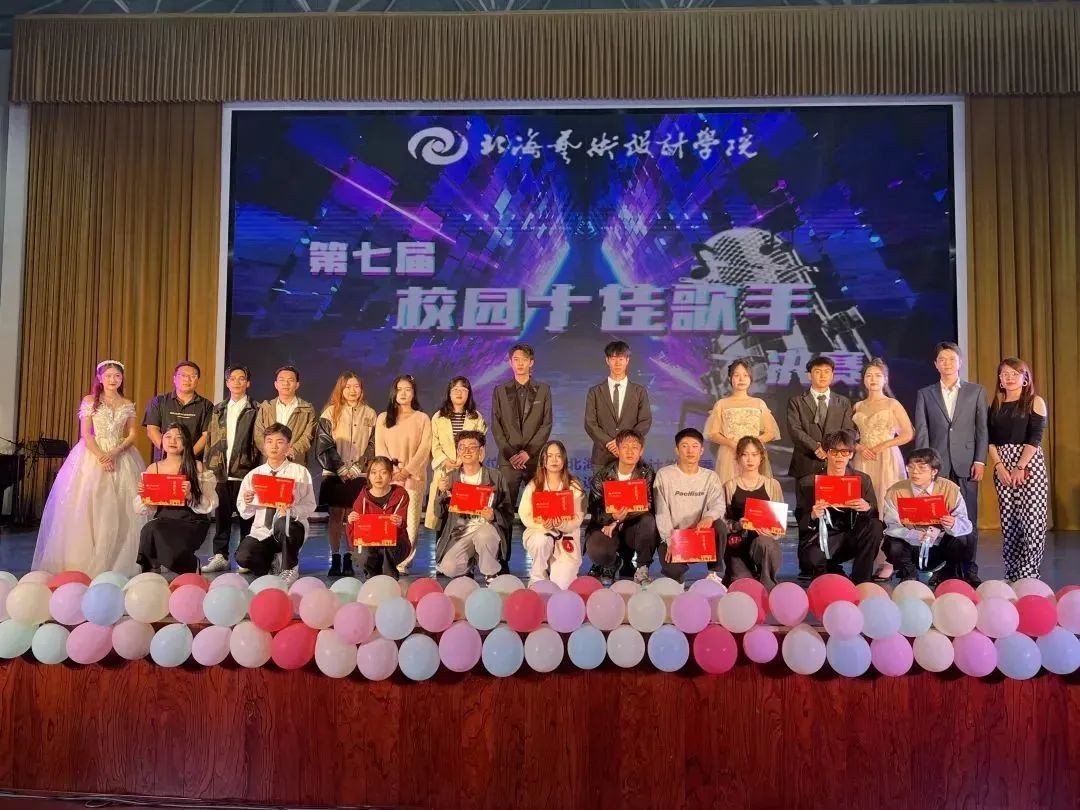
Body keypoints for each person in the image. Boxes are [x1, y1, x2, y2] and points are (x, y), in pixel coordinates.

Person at [32, 360, 146, 576]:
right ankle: (85, 560)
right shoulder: (90, 400)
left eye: (117, 376)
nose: (113, 379)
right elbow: (86, 433)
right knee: (91, 504)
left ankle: (116, 560)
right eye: (109, 375)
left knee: (122, 507)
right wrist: (102, 456)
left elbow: (132, 434)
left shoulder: (127, 403)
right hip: (92, 454)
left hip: (121, 454)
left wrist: (115, 452)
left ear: (122, 379)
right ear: (100, 378)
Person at [913, 341, 987, 585]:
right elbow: (922, 431)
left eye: (951, 359)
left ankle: (969, 568)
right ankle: (943, 568)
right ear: (936, 364)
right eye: (942, 359)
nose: (947, 363)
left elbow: (982, 429)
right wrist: (924, 466)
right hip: (938, 465)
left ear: (960, 362)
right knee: (938, 518)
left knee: (968, 519)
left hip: (967, 464)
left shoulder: (976, 391)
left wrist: (980, 460)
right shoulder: (925, 393)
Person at [851, 358, 915, 580]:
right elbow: (851, 436)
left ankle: (889, 561)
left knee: (888, 507)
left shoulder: (892, 404)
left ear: (885, 379)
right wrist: (859, 447)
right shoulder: (858, 406)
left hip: (886, 459)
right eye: (869, 375)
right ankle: (868, 558)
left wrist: (883, 445)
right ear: (863, 380)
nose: (873, 379)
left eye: (878, 375)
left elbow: (908, 433)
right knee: (867, 508)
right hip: (863, 460)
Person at [987, 357, 1049, 581]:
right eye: (1005, 374)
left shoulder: (1034, 401)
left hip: (1029, 465)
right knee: (1010, 522)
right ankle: (1012, 573)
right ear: (1000, 379)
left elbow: (1035, 438)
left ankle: (1029, 573)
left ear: (1025, 378)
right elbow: (990, 441)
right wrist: (999, 466)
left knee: (1032, 520)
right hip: (1002, 465)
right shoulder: (995, 406)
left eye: (1015, 373)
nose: (1010, 378)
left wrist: (1020, 466)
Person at [796, 429, 882, 584]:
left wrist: (866, 507)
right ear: (826, 453)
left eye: (844, 452)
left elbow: (874, 514)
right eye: (834, 452)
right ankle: (832, 569)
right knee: (813, 559)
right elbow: (801, 521)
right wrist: (813, 515)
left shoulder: (862, 480)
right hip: (822, 538)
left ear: (851, 454)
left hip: (851, 537)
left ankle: (862, 579)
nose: (839, 457)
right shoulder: (808, 482)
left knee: (875, 526)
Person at [235, 422, 317, 586]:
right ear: (264, 445)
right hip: (262, 531)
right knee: (243, 557)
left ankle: (290, 567)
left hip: (291, 528)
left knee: (282, 522)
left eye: (280, 442)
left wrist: (292, 510)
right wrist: (248, 501)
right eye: (269, 441)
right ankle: (272, 563)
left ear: (288, 446)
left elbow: (310, 505)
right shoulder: (254, 475)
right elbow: (244, 513)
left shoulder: (299, 472)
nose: (274, 446)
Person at [134, 423, 217, 574]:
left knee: (156, 530)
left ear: (186, 442)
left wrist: (190, 495)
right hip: (164, 520)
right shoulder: (153, 468)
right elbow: (147, 508)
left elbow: (211, 503)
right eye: (168, 437)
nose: (172, 441)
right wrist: (144, 496)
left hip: (192, 521)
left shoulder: (197, 466)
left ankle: (189, 565)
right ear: (162, 440)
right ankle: (152, 570)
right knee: (150, 529)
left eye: (178, 438)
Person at [315, 372, 377, 578]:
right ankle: (335, 557)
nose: (352, 390)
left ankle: (349, 556)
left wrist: (360, 466)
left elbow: (373, 444)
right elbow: (324, 444)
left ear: (362, 389)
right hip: (335, 472)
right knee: (335, 515)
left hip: (359, 472)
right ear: (340, 389)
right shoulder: (329, 412)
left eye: (356, 386)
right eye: (347, 386)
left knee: (353, 515)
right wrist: (340, 468)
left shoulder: (370, 414)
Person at [882, 448, 974, 584]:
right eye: (910, 467)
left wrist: (953, 523)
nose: (915, 472)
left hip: (939, 545)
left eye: (922, 468)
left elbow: (965, 523)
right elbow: (891, 525)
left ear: (934, 471)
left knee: (964, 538)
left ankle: (946, 574)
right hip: (910, 545)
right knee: (892, 543)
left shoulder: (950, 489)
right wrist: (913, 534)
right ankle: (909, 574)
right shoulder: (896, 490)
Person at [433, 431, 513, 582]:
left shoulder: (495, 476)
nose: (467, 451)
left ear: (481, 450)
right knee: (449, 568)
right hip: (461, 534)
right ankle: (470, 563)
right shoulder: (450, 478)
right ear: (458, 451)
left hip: (485, 530)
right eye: (462, 447)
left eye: (472, 447)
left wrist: (494, 515)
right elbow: (438, 513)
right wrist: (441, 493)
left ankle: (490, 573)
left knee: (484, 535)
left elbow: (508, 514)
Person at [203, 365, 259, 573]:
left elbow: (259, 441)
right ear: (227, 383)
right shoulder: (218, 409)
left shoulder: (256, 409)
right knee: (221, 517)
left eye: (241, 378)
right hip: (220, 470)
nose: (237, 382)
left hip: (245, 471)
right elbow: (210, 439)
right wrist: (209, 467)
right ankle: (221, 556)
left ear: (248, 383)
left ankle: (245, 557)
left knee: (247, 516)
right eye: (232, 378)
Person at [585, 429, 658, 586]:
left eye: (635, 447)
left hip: (633, 528)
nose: (630, 452)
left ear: (641, 451)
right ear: (617, 450)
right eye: (625, 447)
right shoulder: (603, 475)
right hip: (607, 527)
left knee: (648, 521)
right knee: (598, 549)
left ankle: (642, 568)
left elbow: (649, 506)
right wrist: (612, 518)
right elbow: (595, 510)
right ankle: (611, 563)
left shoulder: (647, 474)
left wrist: (618, 520)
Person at [374, 375, 432, 574]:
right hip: (388, 479)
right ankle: (385, 558)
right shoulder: (383, 418)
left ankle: (403, 561)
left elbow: (425, 449)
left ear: (413, 393)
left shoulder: (422, 418)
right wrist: (392, 471)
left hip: (413, 478)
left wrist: (407, 470)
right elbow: (380, 448)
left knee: (410, 521)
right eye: (399, 389)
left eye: (408, 389)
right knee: (388, 519)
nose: (403, 393)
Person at [654, 428, 726, 585]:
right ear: (677, 450)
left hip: (700, 535)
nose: (690, 451)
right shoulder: (664, 475)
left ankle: (712, 573)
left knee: (719, 525)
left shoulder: (710, 477)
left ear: (701, 451)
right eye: (685, 446)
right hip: (675, 537)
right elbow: (661, 511)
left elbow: (718, 504)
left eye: (695, 446)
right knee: (673, 573)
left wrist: (709, 517)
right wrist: (670, 540)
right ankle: (677, 576)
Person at [490, 342, 553, 507]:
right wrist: (511, 454)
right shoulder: (500, 390)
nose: (520, 363)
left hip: (534, 458)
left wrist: (528, 452)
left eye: (524, 359)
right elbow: (496, 425)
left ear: (531, 362)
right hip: (508, 460)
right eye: (516, 359)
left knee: (539, 507)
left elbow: (546, 424)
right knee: (504, 508)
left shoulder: (543, 390)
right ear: (510, 362)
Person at [519, 440, 587, 588]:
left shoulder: (574, 486)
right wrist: (542, 524)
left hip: (565, 537)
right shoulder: (534, 485)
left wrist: (561, 523)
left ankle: (555, 569)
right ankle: (537, 576)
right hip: (539, 533)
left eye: (558, 456)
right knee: (542, 540)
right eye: (549, 456)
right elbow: (524, 514)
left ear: (564, 460)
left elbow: (578, 518)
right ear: (543, 460)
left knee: (562, 585)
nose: (554, 460)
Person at [721, 436, 785, 590]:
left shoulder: (772, 485)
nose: (750, 459)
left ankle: (768, 583)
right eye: (745, 454)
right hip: (738, 542)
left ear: (761, 457)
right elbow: (722, 520)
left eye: (754, 454)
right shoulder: (729, 486)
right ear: (738, 458)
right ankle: (737, 572)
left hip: (763, 542)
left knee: (766, 543)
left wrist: (771, 533)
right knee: (743, 586)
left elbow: (780, 524)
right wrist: (737, 525)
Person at [425, 376, 487, 533]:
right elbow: (434, 444)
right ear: (449, 393)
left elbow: (480, 444)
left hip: (468, 470)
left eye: (463, 390)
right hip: (445, 470)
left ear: (469, 393)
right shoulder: (439, 417)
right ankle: (442, 546)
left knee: (467, 516)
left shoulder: (476, 417)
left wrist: (463, 460)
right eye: (455, 390)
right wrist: (444, 460)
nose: (459, 393)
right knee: (442, 515)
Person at [704, 358, 780, 483]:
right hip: (730, 453)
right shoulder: (722, 404)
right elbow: (713, 433)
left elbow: (770, 432)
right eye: (737, 375)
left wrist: (752, 444)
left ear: (750, 379)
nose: (741, 379)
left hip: (753, 454)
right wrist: (732, 444)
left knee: (754, 489)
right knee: (730, 489)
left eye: (745, 375)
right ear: (730, 378)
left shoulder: (759, 403)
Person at [786, 355, 857, 486]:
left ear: (832, 375)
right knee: (806, 498)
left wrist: (831, 449)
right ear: (809, 375)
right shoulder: (796, 401)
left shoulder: (843, 402)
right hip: (806, 463)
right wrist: (815, 447)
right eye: (817, 372)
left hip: (836, 464)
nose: (822, 376)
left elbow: (848, 430)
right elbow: (794, 430)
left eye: (827, 371)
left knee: (835, 498)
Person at [583, 340, 652, 471]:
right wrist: (609, 443)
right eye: (613, 359)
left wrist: (623, 443)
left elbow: (645, 421)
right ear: (607, 360)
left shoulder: (639, 391)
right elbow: (590, 423)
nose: (617, 363)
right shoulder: (595, 392)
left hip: (630, 456)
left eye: (621, 359)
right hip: (602, 456)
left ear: (627, 360)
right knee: (601, 485)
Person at [346, 457, 411, 580]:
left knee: (387, 548)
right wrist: (351, 522)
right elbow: (355, 536)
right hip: (369, 546)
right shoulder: (362, 499)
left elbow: (402, 524)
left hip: (394, 544)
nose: (378, 477)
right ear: (369, 476)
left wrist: (400, 522)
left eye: (383, 472)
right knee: (363, 555)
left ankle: (389, 578)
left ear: (391, 475)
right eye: (374, 472)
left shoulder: (400, 495)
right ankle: (372, 577)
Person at [143, 360, 213, 462]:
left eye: (193, 376)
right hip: (164, 461)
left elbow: (206, 435)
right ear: (174, 379)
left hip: (193, 462)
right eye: (183, 375)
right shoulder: (159, 401)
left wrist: (188, 457)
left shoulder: (207, 405)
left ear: (197, 380)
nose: (187, 379)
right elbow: (152, 430)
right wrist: (169, 455)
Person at [254, 366, 317, 465]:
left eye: (290, 380)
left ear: (297, 384)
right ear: (276, 384)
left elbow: (308, 436)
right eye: (282, 380)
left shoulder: (307, 409)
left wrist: (292, 450)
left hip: (295, 462)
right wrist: (270, 452)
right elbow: (258, 434)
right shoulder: (266, 407)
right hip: (269, 463)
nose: (286, 383)